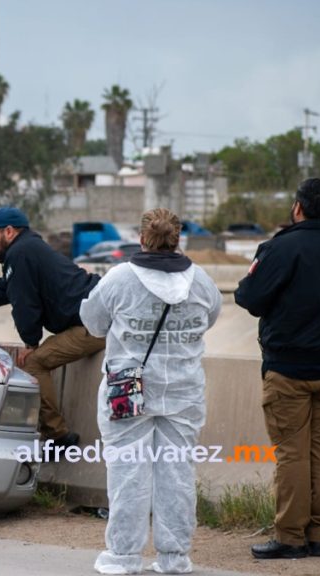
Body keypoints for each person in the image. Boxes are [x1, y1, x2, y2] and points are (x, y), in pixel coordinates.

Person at [235, 178, 320, 560]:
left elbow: (249, 298)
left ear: (298, 208)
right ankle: (319, 536)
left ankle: (290, 537)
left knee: (291, 453)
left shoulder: (279, 249)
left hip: (288, 371)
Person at [80, 208, 221, 575]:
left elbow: (94, 324)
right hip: (183, 389)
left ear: (142, 239)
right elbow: (210, 319)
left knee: (128, 472)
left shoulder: (120, 279)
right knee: (177, 473)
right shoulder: (201, 281)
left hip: (129, 387)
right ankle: (175, 558)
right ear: (178, 240)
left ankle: (124, 557)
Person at [0, 206, 104, 447]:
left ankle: (58, 436)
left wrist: (30, 343)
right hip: (91, 318)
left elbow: (25, 304)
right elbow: (4, 290)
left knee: (33, 363)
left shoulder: (20, 253)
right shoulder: (26, 250)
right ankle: (54, 434)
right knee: (37, 359)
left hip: (94, 323)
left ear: (9, 231)